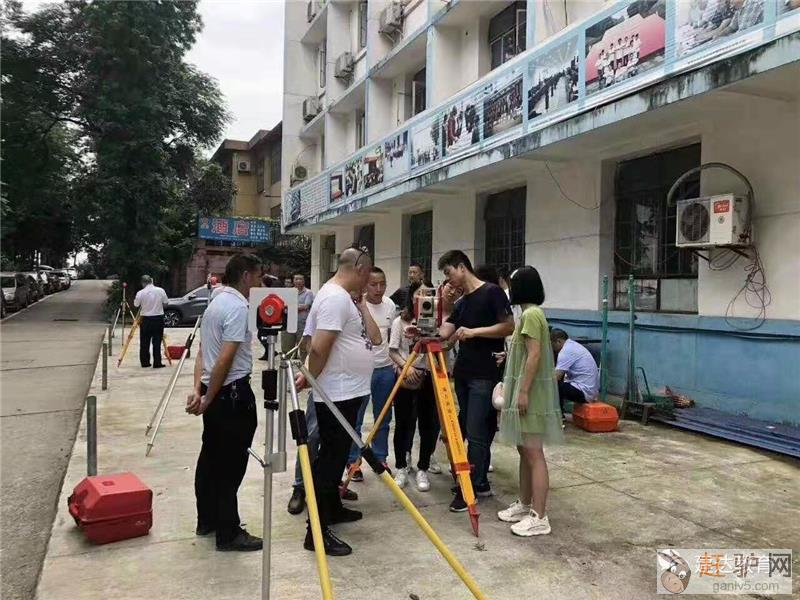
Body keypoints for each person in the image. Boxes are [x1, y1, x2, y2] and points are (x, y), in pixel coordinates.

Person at [294, 246, 382, 556]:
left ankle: (332, 509)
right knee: (330, 461)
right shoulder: (334, 298)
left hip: (348, 392)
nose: (368, 282)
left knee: (338, 453)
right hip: (336, 395)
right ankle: (316, 532)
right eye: (368, 275)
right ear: (360, 269)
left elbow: (362, 339)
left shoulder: (343, 297)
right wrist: (310, 376)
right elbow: (319, 347)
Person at [186, 253, 263, 551]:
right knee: (230, 465)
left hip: (214, 389)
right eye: (258, 277)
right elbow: (225, 358)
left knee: (211, 458)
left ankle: (207, 520)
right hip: (231, 394)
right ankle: (228, 532)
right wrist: (208, 398)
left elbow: (203, 352)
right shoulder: (238, 307)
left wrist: (200, 390)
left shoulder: (215, 302)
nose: (259, 284)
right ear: (245, 276)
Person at [431, 250, 514, 512]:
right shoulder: (463, 302)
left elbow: (508, 326)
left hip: (484, 374)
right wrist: (425, 331)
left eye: (449, 273)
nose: (449, 280)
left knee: (476, 432)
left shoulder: (492, 293)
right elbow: (446, 331)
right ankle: (479, 482)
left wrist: (475, 332)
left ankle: (470, 489)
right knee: (471, 427)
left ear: (461, 267)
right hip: (464, 374)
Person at [496, 266, 563, 537]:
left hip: (531, 395)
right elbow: (527, 353)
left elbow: (534, 355)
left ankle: (540, 516)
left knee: (534, 453)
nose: (509, 289)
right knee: (524, 450)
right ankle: (525, 504)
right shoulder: (526, 314)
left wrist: (523, 392)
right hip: (524, 391)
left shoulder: (532, 314)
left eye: (512, 285)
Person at [346, 267, 398, 481]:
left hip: (385, 369)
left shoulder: (390, 305)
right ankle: (353, 461)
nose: (378, 288)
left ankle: (380, 458)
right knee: (355, 418)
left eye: (382, 284)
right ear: (365, 285)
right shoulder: (355, 306)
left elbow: (392, 336)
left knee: (383, 417)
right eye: (373, 284)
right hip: (361, 370)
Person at [389, 283, 441, 492]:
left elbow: (442, 346)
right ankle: (402, 466)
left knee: (428, 424)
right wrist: (406, 367)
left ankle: (423, 468)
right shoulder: (400, 321)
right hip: (406, 376)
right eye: (420, 294)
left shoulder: (438, 320)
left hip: (429, 376)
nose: (424, 298)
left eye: (429, 294)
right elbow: (393, 350)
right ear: (412, 297)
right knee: (403, 423)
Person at [550, 328, 600, 414]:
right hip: (590, 391)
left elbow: (556, 377)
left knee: (554, 385)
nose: (552, 349)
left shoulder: (565, 351)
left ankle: (558, 414)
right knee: (559, 383)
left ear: (558, 341)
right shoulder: (573, 345)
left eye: (552, 345)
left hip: (584, 392)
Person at [133, 275, 168, 369]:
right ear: (151, 281)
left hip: (145, 319)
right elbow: (166, 302)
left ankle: (145, 362)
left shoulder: (140, 293)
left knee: (144, 342)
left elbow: (136, 304)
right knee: (157, 342)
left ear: (143, 283)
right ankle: (157, 362)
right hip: (158, 318)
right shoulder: (160, 290)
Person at [281, 274, 314, 361]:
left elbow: (306, 306)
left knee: (303, 348)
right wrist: (297, 307)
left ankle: (304, 366)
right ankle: (287, 365)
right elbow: (284, 305)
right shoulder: (289, 292)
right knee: (287, 348)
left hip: (302, 324)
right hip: (289, 323)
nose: (298, 281)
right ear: (293, 281)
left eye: (300, 279)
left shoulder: (308, 293)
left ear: (304, 281)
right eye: (296, 279)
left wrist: (290, 306)